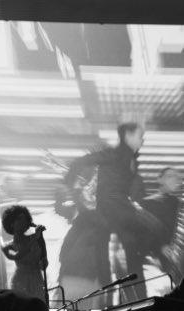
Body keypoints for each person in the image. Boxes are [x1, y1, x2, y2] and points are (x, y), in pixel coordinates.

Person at [62, 122, 150, 300]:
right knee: (116, 253)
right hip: (112, 211)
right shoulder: (113, 154)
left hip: (118, 211)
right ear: (128, 135)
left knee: (123, 253)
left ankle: (126, 293)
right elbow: (80, 162)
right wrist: (69, 183)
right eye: (140, 136)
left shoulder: (130, 158)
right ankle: (121, 293)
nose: (143, 140)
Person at [0, 205, 48, 301]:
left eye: (25, 218)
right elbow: (18, 256)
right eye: (19, 219)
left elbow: (44, 262)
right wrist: (35, 237)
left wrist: (43, 261)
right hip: (20, 282)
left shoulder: (37, 238)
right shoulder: (7, 246)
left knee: (38, 307)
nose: (23, 221)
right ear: (11, 223)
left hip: (37, 280)